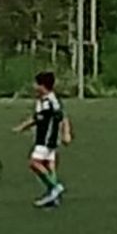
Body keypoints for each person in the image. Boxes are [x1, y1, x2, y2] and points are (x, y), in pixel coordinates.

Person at [12, 71, 69, 207]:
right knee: (50, 166)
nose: (33, 86)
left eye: (35, 84)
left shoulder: (48, 101)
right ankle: (53, 197)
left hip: (46, 138)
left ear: (41, 85)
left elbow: (43, 118)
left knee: (34, 163)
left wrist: (22, 127)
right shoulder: (47, 99)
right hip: (50, 138)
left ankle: (55, 187)